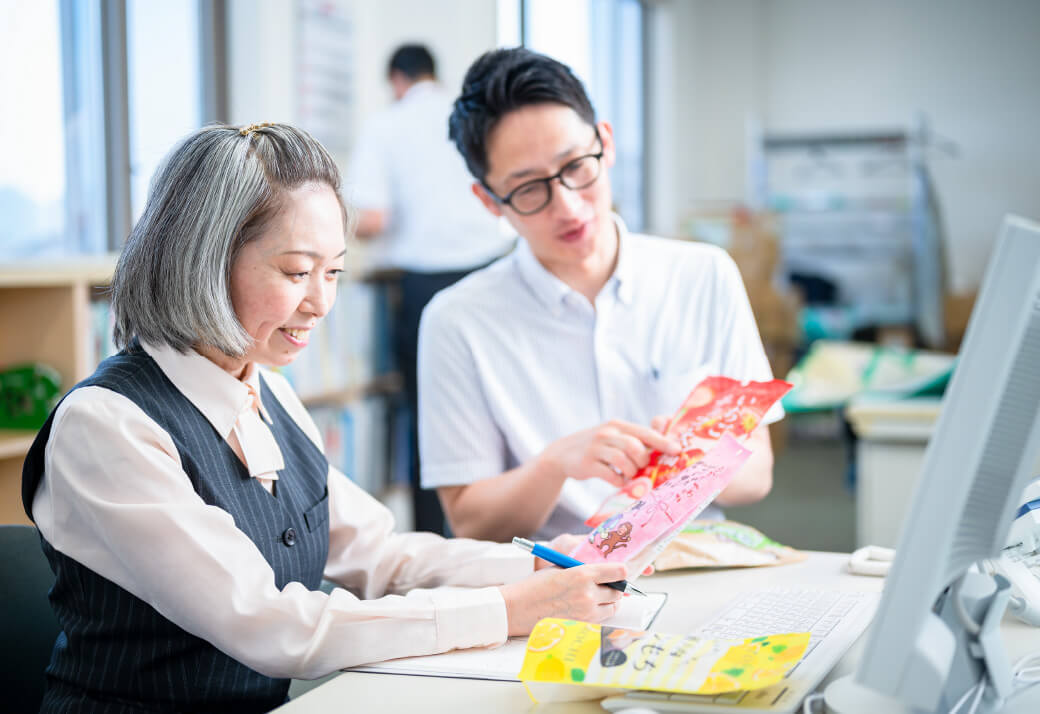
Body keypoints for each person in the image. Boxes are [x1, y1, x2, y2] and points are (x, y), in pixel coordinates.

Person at [21, 123, 631, 713]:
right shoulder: (106, 425)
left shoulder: (272, 394)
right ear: (202, 261)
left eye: (333, 271)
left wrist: (543, 564)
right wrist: (506, 608)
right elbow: (270, 624)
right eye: (295, 272)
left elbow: (379, 555)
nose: (320, 303)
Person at [418, 48, 782, 542]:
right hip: (548, 582)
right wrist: (556, 466)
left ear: (604, 144)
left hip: (691, 564)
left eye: (576, 166)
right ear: (488, 200)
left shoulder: (703, 275)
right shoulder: (457, 320)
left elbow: (757, 474)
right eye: (528, 190)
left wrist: (694, 460)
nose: (567, 206)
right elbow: (470, 521)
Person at [346, 44, 513, 535]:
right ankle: (507, 536)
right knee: (499, 410)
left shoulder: (388, 124)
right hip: (493, 274)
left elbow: (373, 219)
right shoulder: (474, 116)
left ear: (397, 80)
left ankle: (434, 545)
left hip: (428, 288)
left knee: (431, 419)